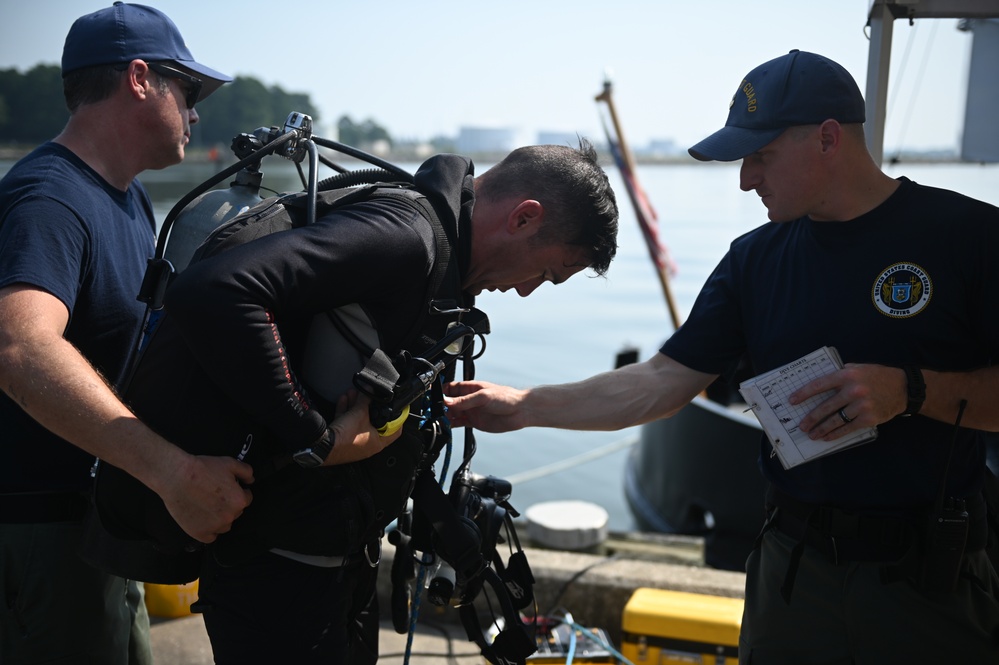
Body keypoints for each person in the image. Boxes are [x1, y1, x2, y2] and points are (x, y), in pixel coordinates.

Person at [445, 50, 999, 664]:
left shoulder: (969, 238)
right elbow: (661, 381)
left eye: (760, 156)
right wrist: (523, 405)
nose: (744, 179)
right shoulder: (753, 260)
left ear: (827, 138)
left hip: (933, 584)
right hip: (793, 578)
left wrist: (911, 391)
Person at [93, 140, 619, 664]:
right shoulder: (406, 237)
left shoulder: (442, 260)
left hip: (338, 556)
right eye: (548, 273)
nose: (527, 291)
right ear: (525, 218)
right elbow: (212, 293)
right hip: (277, 569)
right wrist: (317, 438)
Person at [0, 4, 255, 664]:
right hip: (40, 533)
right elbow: (21, 348)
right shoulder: (49, 198)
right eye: (189, 91)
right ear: (140, 79)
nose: (196, 113)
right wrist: (170, 472)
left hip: (94, 521)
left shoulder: (128, 196)